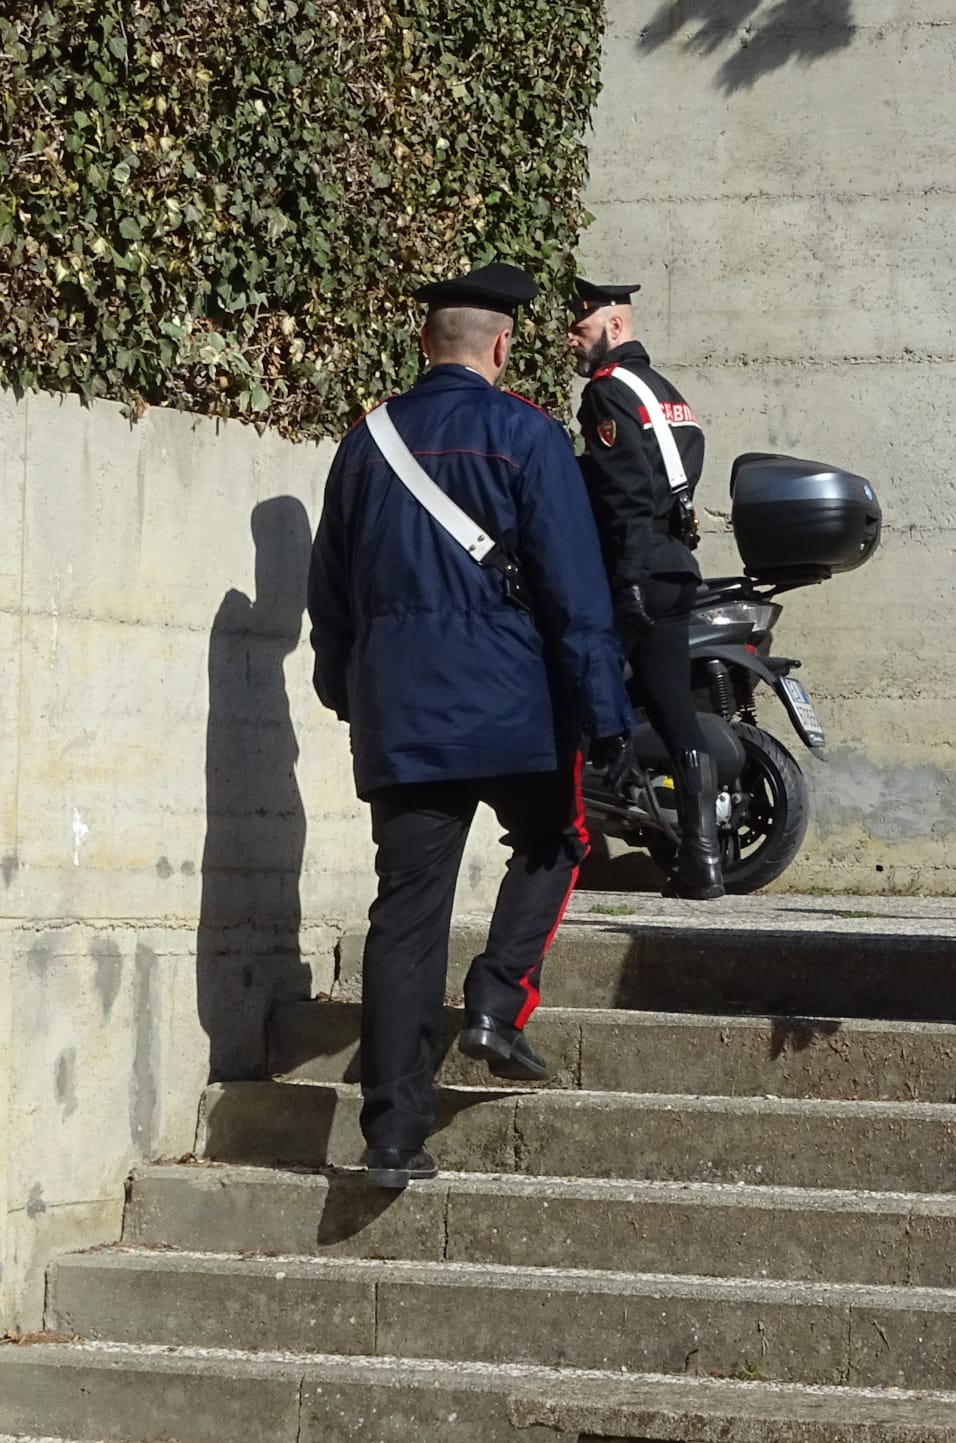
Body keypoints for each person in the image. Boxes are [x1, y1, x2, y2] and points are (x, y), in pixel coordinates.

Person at [308, 262, 633, 1189]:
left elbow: (329, 597)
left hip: (403, 719)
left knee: (405, 917)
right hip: (515, 708)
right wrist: (604, 713)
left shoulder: (364, 444)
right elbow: (576, 594)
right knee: (558, 835)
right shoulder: (527, 436)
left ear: (422, 344)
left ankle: (391, 1137)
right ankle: (494, 1001)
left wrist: (349, 693)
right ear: (501, 346)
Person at [565, 278, 724, 900]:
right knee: (673, 711)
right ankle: (703, 859)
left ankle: (560, 840)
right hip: (676, 565)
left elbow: (625, 496)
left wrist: (625, 578)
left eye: (581, 331)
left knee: (577, 690)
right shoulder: (666, 394)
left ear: (615, 327)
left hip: (637, 571)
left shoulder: (606, 396)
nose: (572, 343)